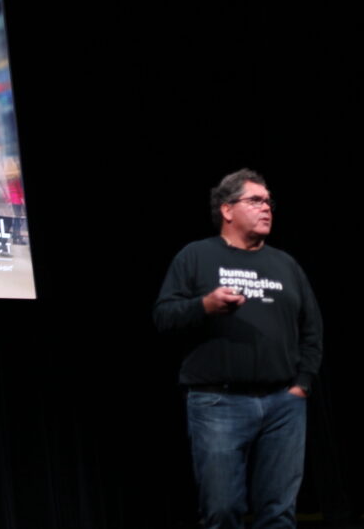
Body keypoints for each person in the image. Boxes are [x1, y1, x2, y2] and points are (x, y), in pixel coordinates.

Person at [153, 169, 322, 529]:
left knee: (279, 513)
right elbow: (163, 316)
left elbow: (312, 327)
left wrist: (301, 383)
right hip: (219, 402)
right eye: (256, 200)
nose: (267, 208)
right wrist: (205, 306)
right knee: (222, 510)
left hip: (283, 404)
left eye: (269, 201)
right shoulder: (195, 256)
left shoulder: (285, 264)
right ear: (227, 210)